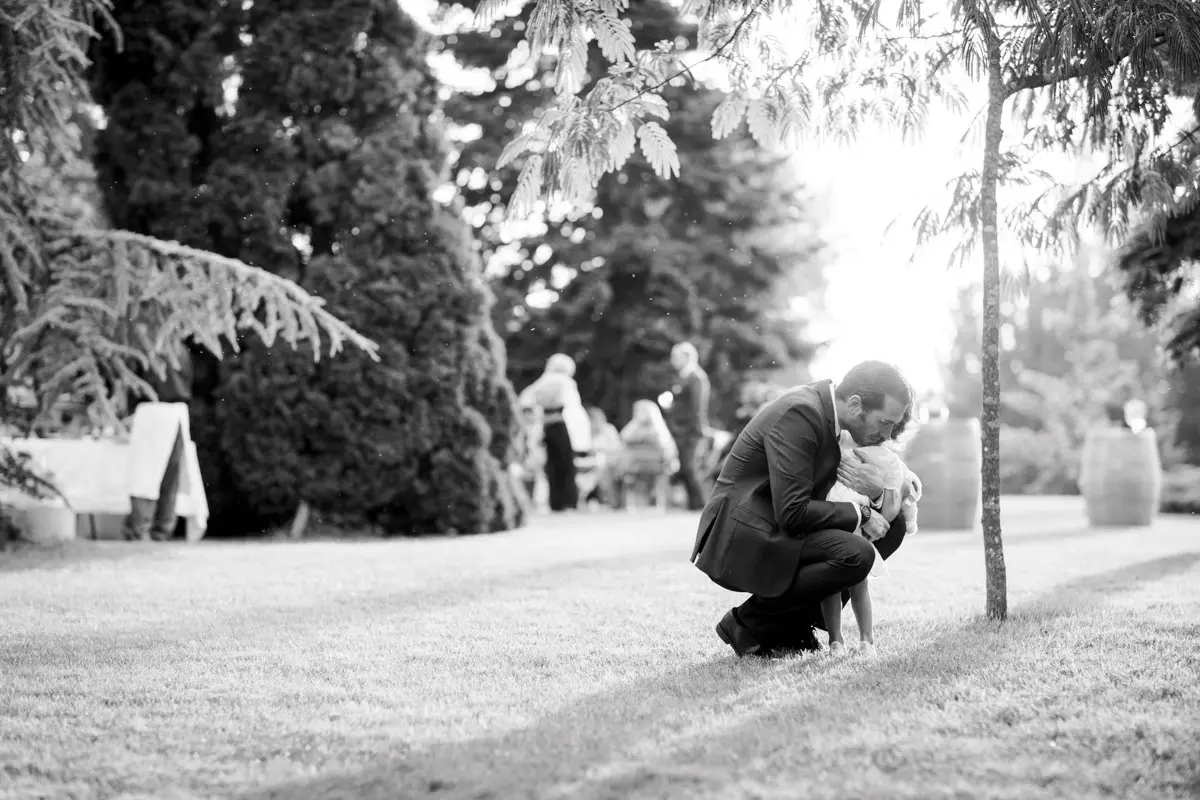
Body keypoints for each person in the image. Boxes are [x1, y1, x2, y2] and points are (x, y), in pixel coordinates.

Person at [691, 360, 915, 657]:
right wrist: (860, 514)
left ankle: (794, 624)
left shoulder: (833, 418)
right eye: (885, 423)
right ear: (855, 404)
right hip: (745, 531)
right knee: (855, 554)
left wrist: (877, 492)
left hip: (778, 523)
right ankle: (746, 622)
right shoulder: (801, 413)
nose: (888, 435)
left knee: (893, 527)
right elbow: (792, 513)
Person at [822, 431, 922, 654]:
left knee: (839, 586)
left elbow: (903, 486)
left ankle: (847, 641)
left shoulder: (846, 451)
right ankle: (854, 641)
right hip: (848, 523)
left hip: (842, 521)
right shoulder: (884, 458)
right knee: (850, 586)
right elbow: (907, 486)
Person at [122, 344, 193, 542]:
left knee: (145, 473)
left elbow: (133, 383)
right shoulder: (181, 348)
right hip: (176, 411)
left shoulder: (144, 347)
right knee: (169, 475)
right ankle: (162, 527)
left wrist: (128, 412)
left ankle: (139, 527)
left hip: (151, 410)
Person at [519, 354, 589, 512]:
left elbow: (525, 400)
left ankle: (555, 502)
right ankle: (568, 502)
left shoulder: (542, 382)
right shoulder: (566, 382)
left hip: (547, 427)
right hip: (562, 426)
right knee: (566, 465)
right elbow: (572, 406)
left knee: (552, 466)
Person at [665, 342, 711, 511]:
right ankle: (693, 505)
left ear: (686, 357)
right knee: (685, 468)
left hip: (690, 431)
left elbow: (697, 407)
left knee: (689, 468)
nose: (672, 360)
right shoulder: (682, 377)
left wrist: (697, 430)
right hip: (679, 429)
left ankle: (701, 505)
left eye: (675, 356)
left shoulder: (697, 377)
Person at [619, 399, 679, 510]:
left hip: (640, 467)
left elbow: (623, 438)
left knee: (625, 465)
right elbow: (670, 449)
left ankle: (631, 504)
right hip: (647, 467)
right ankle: (659, 504)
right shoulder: (660, 431)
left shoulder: (650, 431)